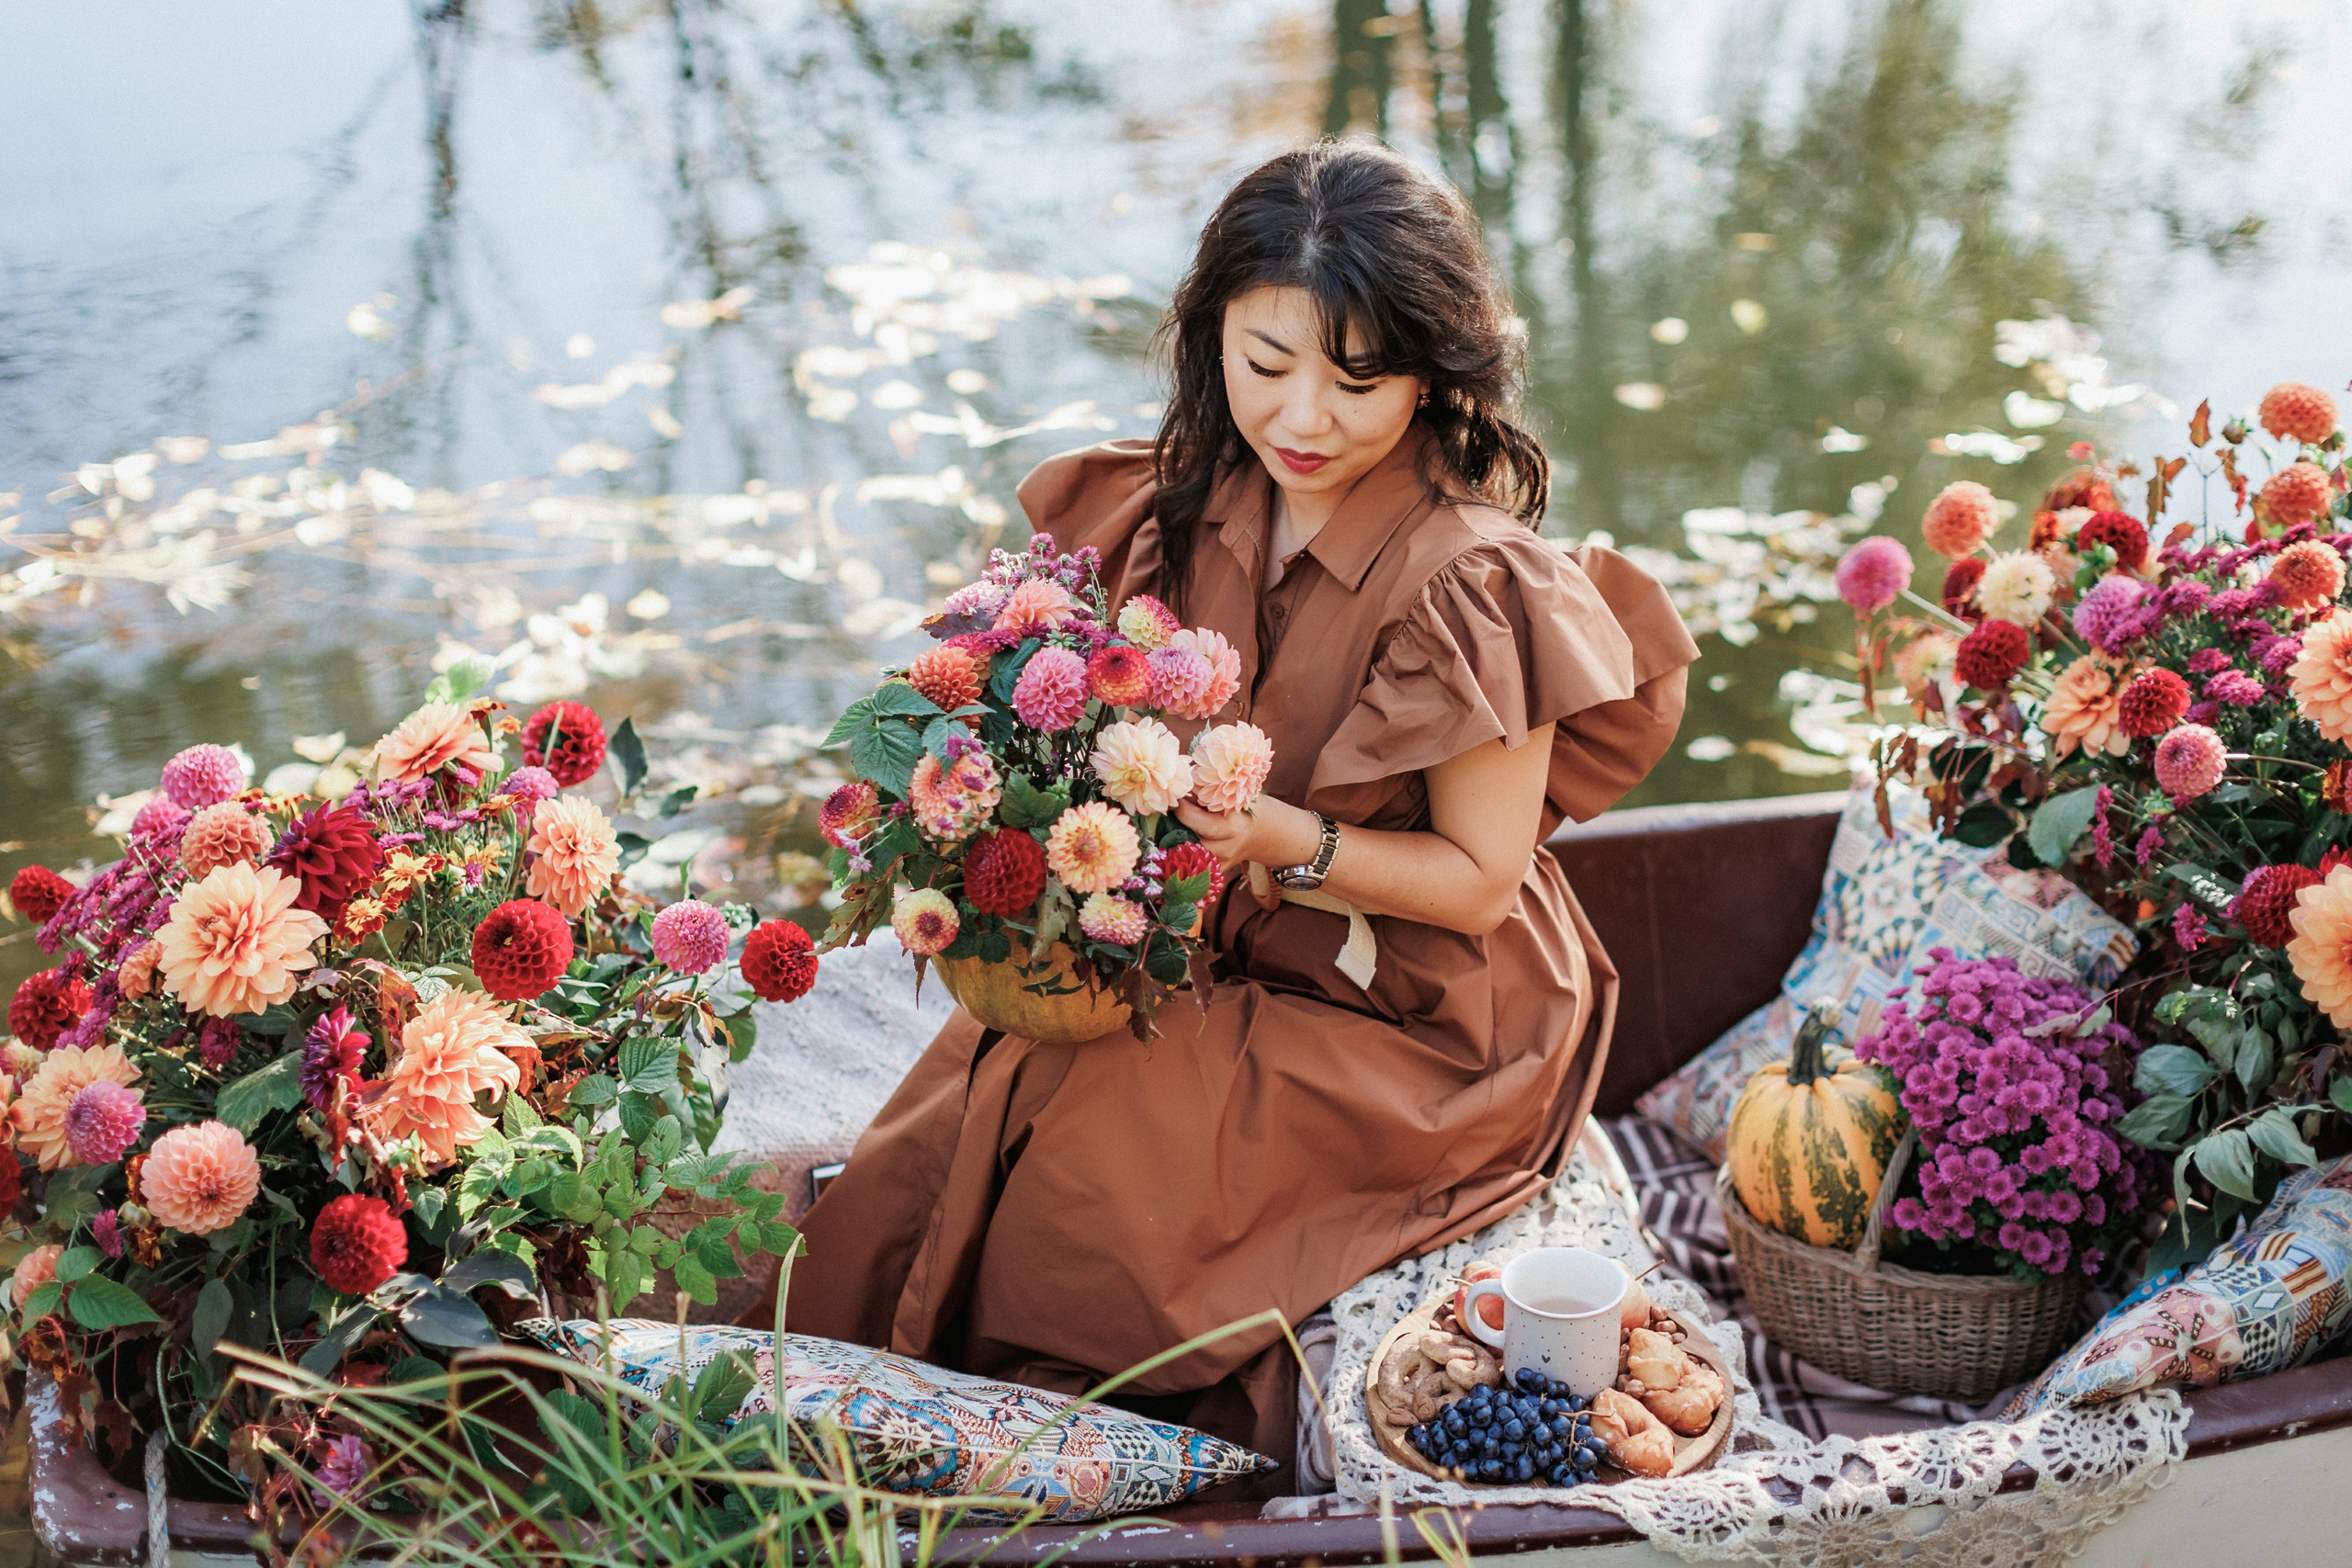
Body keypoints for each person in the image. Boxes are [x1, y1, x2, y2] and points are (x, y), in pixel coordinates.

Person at [755, 141, 1697, 1482]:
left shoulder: (1475, 582)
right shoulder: (1184, 501)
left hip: (1420, 1008)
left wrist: (1272, 843)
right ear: (1213, 342)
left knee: (1088, 1153)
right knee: (1002, 1061)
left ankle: (1071, 1446)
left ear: (1435, 373)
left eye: (1357, 379)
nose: (1305, 414)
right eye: (1267, 366)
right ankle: (897, 1374)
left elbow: (1482, 882)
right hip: (1216, 934)